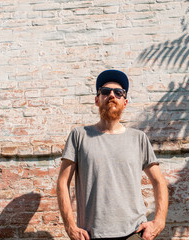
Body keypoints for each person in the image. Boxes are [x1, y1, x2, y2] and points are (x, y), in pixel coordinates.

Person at [57, 70, 168, 240]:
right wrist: (70, 226)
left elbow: (159, 182)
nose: (111, 95)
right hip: (91, 235)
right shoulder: (79, 135)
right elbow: (63, 182)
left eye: (118, 92)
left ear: (125, 102)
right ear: (97, 100)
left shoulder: (138, 138)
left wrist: (159, 221)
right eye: (105, 91)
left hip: (134, 233)